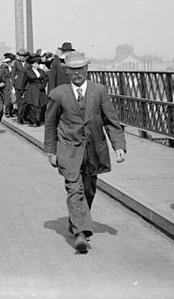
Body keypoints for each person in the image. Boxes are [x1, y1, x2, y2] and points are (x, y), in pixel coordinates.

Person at [44, 51, 126, 253]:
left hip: (93, 151)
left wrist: (119, 146)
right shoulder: (58, 94)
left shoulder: (99, 91)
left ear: (87, 69)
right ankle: (81, 233)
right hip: (68, 150)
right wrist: (51, 151)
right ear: (67, 71)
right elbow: (50, 124)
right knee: (74, 189)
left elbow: (111, 120)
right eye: (72, 70)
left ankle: (78, 222)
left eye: (80, 69)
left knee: (89, 189)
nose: (77, 73)